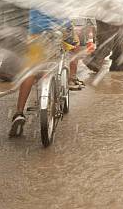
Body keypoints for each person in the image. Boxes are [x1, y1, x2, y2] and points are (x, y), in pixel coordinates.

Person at [9, 9, 80, 137]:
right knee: (75, 45)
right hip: (61, 29)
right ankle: (71, 78)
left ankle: (19, 112)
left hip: (37, 31)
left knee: (32, 69)